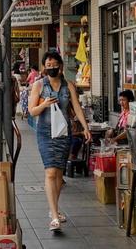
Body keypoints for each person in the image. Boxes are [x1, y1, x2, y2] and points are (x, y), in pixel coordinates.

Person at [28, 51, 91, 232]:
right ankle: (54, 216)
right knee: (50, 172)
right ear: (43, 67)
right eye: (48, 65)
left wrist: (85, 127)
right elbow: (32, 111)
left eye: (55, 65)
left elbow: (76, 108)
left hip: (64, 134)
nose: (52, 68)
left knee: (59, 175)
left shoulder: (68, 86)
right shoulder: (39, 86)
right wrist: (44, 104)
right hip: (45, 134)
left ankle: (53, 208)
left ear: (61, 66)